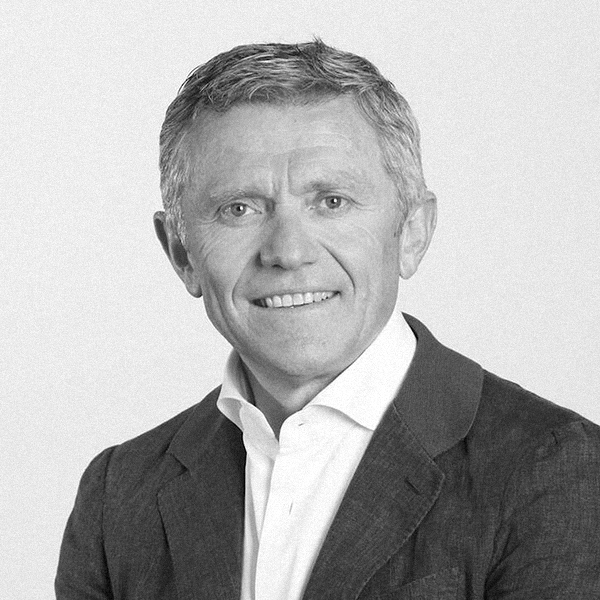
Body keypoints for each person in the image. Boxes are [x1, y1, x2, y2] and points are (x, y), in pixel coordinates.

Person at [56, 40, 600, 599]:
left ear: (412, 232)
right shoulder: (118, 495)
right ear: (181, 252)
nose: (288, 252)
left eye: (331, 202)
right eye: (239, 209)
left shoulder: (556, 468)